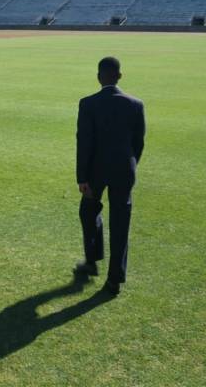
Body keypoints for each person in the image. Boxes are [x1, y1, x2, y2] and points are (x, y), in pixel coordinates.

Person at [74, 57, 145, 296]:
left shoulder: (88, 103)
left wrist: (82, 177)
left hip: (95, 171)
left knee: (88, 211)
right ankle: (114, 280)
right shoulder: (136, 104)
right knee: (120, 222)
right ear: (119, 76)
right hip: (125, 170)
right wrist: (130, 165)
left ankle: (92, 260)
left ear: (98, 77)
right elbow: (138, 143)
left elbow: (84, 142)